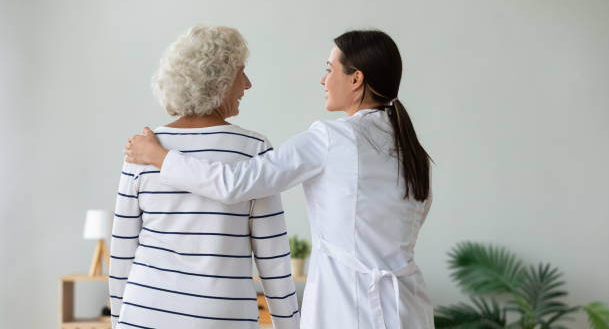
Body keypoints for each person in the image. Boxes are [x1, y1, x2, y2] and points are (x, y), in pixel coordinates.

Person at [126, 30, 434, 329]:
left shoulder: (331, 139)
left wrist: (159, 156)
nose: (323, 79)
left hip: (348, 307)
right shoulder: (413, 151)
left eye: (329, 69)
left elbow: (234, 183)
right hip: (408, 307)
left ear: (356, 79)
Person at [110, 25, 300, 329]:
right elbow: (273, 260)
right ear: (219, 81)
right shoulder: (254, 150)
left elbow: (121, 252)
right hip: (220, 319)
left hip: (143, 312)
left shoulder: (141, 149)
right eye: (241, 73)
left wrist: (120, 322)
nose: (248, 84)